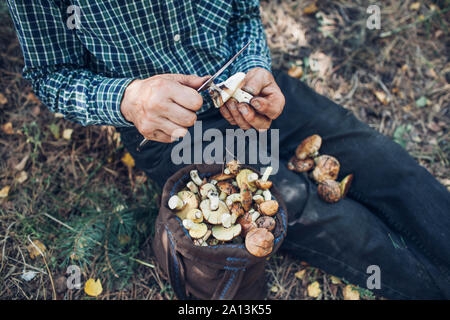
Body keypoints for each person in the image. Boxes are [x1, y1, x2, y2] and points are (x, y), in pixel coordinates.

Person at [8, 0, 450, 299]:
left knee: (387, 167)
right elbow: (51, 73)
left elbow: (241, 13)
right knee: (342, 226)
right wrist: (130, 99)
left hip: (242, 87)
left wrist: (254, 66)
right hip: (172, 130)